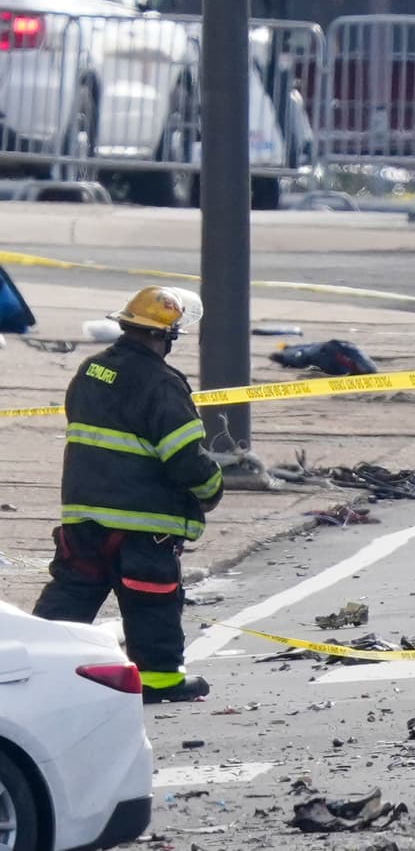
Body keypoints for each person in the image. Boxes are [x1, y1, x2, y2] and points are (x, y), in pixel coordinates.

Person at [33, 286, 223, 705]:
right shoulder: (162, 384)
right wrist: (212, 488)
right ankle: (159, 681)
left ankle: (31, 669)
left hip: (84, 516)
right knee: (151, 599)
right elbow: (185, 457)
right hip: (143, 523)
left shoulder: (91, 371)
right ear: (166, 336)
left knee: (72, 593)